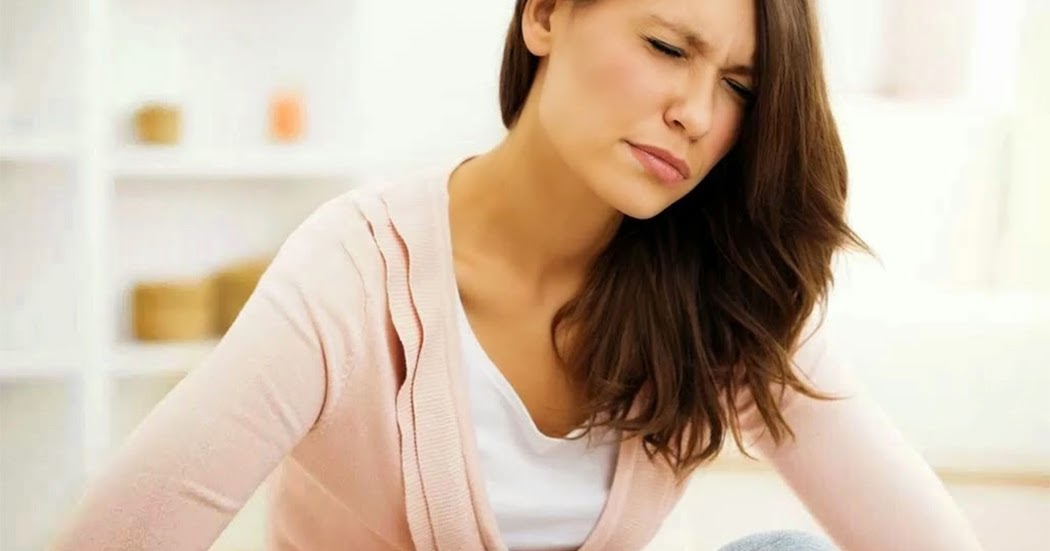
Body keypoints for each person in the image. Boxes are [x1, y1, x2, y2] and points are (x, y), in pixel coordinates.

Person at [54, 1, 985, 550]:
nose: (698, 114)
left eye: (740, 85)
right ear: (544, 12)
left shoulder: (719, 289)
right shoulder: (356, 273)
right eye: (668, 48)